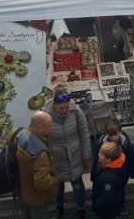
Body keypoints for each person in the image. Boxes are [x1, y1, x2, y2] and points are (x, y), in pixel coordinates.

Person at [43, 86, 91, 218]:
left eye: (66, 107)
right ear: (54, 105)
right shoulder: (46, 114)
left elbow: (84, 133)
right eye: (60, 108)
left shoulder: (75, 110)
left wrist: (86, 155)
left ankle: (81, 209)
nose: (64, 111)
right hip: (56, 156)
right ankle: (59, 208)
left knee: (77, 184)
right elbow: (42, 137)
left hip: (74, 153)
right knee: (58, 185)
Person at [15, 111, 59, 219]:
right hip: (38, 197)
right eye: (49, 126)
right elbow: (42, 183)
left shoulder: (21, 135)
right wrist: (55, 179)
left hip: (25, 191)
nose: (51, 129)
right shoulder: (40, 153)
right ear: (39, 128)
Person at [91, 120, 134, 214]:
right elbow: (96, 159)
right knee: (104, 189)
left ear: (120, 131)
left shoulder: (126, 143)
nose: (113, 138)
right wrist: (94, 175)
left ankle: (121, 205)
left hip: (122, 172)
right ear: (106, 133)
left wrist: (133, 173)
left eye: (115, 135)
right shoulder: (101, 142)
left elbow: (132, 158)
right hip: (104, 171)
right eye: (110, 135)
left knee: (119, 189)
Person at [91, 142, 126, 219]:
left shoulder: (108, 178)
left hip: (107, 209)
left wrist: (96, 205)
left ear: (108, 160)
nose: (98, 155)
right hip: (114, 205)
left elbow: (107, 198)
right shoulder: (117, 167)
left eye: (101, 154)